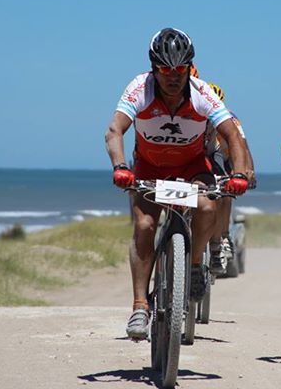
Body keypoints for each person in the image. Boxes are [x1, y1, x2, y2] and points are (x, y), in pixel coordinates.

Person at [105, 27, 251, 340]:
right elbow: (114, 130)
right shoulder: (139, 88)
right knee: (144, 226)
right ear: (154, 68)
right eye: (165, 70)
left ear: (189, 68)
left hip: (192, 168)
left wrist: (239, 174)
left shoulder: (201, 92)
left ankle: (196, 263)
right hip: (149, 168)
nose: (173, 77)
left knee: (206, 206)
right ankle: (139, 306)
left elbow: (231, 135)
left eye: (180, 70)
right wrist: (119, 167)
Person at [203, 82, 255, 274]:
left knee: (224, 189)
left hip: (218, 151)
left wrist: (249, 170)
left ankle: (222, 237)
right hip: (198, 152)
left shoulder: (229, 118)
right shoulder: (193, 114)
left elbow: (242, 145)